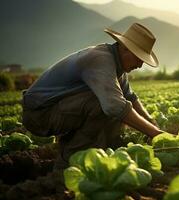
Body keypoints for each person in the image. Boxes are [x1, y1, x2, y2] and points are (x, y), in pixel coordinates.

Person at [22, 23, 163, 169]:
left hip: (57, 110)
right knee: (104, 103)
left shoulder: (117, 66)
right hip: (39, 115)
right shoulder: (100, 59)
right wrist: (154, 133)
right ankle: (67, 163)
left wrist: (152, 124)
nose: (140, 65)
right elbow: (115, 106)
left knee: (118, 105)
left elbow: (131, 98)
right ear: (125, 48)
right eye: (138, 58)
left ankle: (95, 152)